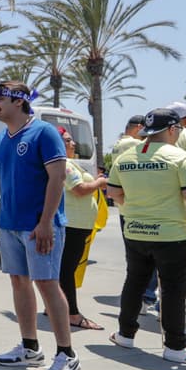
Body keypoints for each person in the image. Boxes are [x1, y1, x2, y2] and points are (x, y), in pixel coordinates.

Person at [0, 81, 80, 370]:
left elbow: (57, 177)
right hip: (10, 225)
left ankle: (67, 354)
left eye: (0, 99)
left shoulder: (44, 133)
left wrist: (46, 222)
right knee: (19, 282)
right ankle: (30, 347)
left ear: (19, 102)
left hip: (39, 227)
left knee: (47, 285)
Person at [105, 107, 186, 366]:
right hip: (169, 235)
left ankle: (125, 334)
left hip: (134, 231)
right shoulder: (180, 157)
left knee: (134, 282)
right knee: (173, 290)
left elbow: (114, 193)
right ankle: (176, 347)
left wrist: (134, 210)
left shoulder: (126, 157)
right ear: (171, 129)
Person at [58, 128, 106, 330]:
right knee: (67, 270)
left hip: (77, 225)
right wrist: (99, 182)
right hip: (72, 225)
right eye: (68, 140)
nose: (73, 143)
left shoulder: (68, 163)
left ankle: (58, 307)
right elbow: (78, 190)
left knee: (64, 269)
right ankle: (72, 314)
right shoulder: (64, 164)